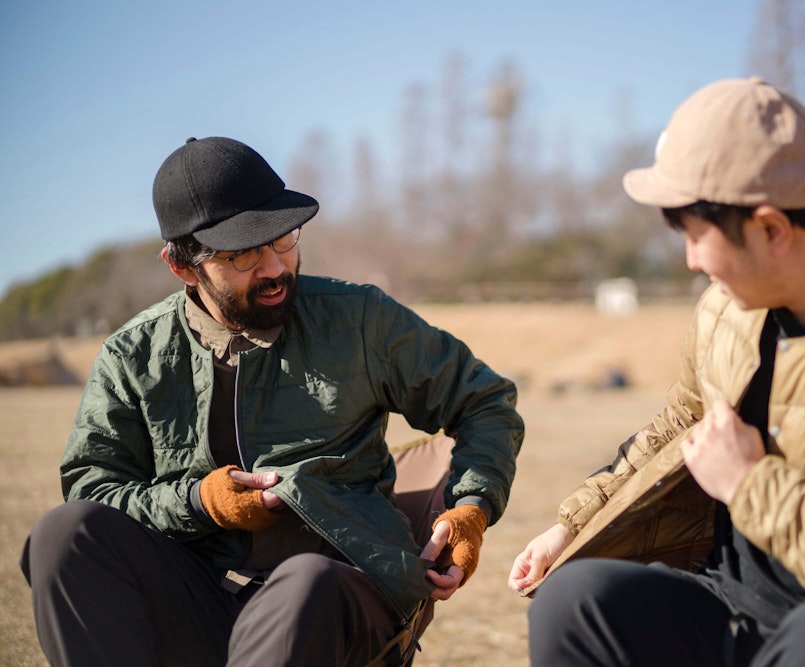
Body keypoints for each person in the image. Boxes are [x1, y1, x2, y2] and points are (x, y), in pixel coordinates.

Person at [508, 77, 805, 666]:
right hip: (731, 607)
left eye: (695, 236)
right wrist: (576, 525)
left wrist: (750, 486)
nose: (691, 261)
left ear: (771, 229)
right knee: (577, 601)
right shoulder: (729, 306)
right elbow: (682, 424)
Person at [21, 136, 524, 667]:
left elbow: (485, 402)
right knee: (64, 534)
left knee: (305, 584)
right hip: (201, 600)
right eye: (242, 255)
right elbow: (94, 487)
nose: (274, 269)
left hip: (340, 590)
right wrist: (198, 503)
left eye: (283, 241)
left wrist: (473, 506)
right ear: (182, 266)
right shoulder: (131, 355)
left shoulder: (360, 320)